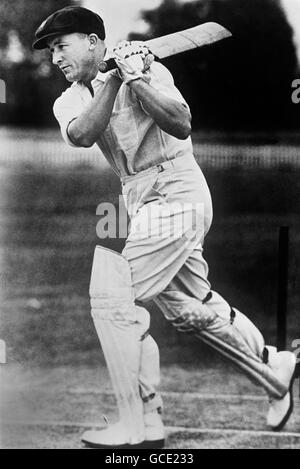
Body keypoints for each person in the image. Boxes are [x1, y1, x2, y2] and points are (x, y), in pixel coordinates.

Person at [33, 6, 296, 449]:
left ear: (94, 42)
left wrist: (136, 78)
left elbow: (181, 122)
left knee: (114, 297)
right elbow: (82, 135)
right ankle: (274, 371)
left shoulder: (149, 69)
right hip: (138, 199)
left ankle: (137, 423)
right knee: (188, 308)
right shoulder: (70, 98)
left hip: (178, 189)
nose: (55, 57)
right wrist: (114, 79)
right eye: (51, 51)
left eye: (62, 46)